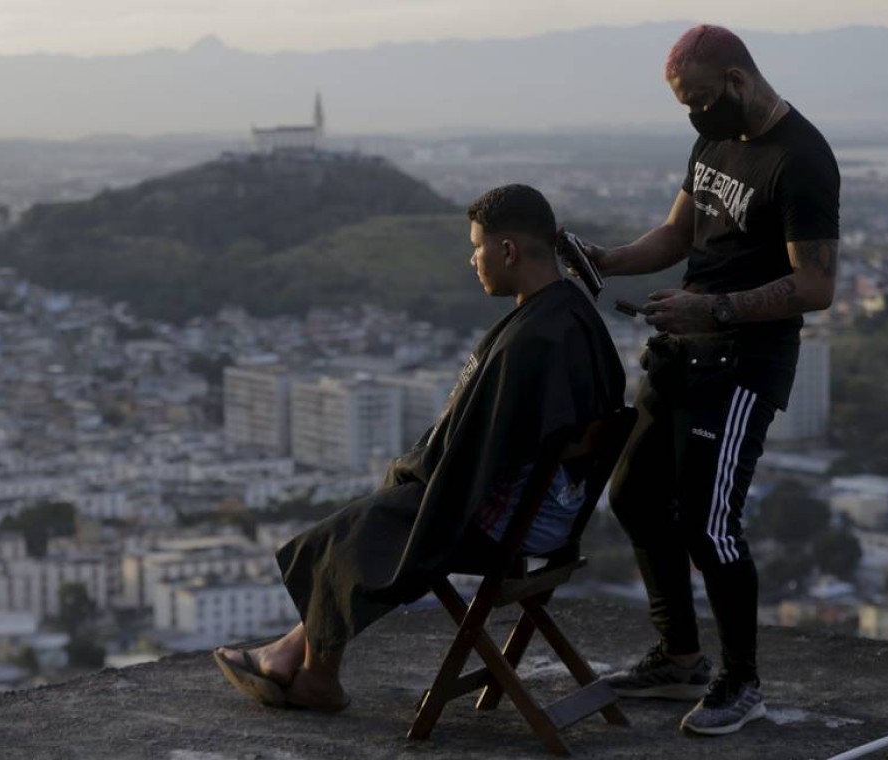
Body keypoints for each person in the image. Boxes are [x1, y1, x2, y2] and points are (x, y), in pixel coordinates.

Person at [213, 184, 625, 712]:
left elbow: (472, 452)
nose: (471, 259)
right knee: (369, 522)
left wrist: (410, 473)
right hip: (553, 510)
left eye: (477, 247)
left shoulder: (533, 341)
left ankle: (314, 675)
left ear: (508, 251)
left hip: (514, 521)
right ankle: (304, 662)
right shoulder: (569, 314)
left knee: (354, 531)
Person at [580, 25, 840, 736]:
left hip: (740, 368)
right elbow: (676, 234)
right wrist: (605, 259)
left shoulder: (802, 159)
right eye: (683, 105)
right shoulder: (711, 141)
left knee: (709, 522)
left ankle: (740, 683)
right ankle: (678, 655)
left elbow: (815, 285)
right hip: (680, 354)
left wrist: (715, 309)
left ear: (735, 81)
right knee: (634, 496)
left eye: (698, 100)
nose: (692, 115)